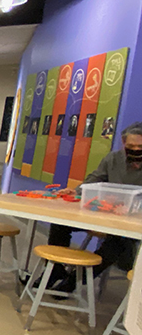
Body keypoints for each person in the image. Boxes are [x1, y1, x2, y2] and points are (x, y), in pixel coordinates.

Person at [46, 122, 142, 291]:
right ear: (123, 144)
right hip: (105, 214)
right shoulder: (113, 159)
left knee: (118, 242)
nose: (135, 150)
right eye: (130, 146)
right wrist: (76, 192)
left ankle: (74, 281)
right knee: (60, 223)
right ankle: (54, 270)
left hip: (132, 223)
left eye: (139, 147)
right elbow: (95, 179)